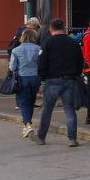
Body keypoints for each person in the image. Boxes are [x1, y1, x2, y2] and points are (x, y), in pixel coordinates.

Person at [34, 18, 84, 146]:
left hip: (52, 80)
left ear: (51, 29)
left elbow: (41, 63)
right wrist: (76, 74)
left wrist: (41, 79)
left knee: (47, 110)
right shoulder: (73, 43)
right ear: (64, 27)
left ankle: (41, 137)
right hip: (70, 79)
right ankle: (72, 138)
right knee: (69, 109)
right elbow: (80, 61)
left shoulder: (47, 43)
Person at [8, 26, 42, 135]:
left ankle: (27, 124)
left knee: (23, 101)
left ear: (22, 37)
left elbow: (12, 67)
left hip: (22, 77)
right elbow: (41, 64)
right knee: (31, 101)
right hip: (35, 77)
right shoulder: (39, 49)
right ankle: (27, 125)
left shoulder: (16, 50)